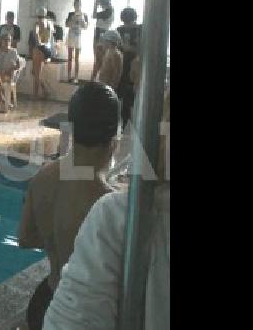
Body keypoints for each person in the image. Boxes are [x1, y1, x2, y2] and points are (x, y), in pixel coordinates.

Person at [43, 89, 170, 330]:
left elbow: (25, 237)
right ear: (115, 139)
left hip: (55, 289)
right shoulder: (120, 213)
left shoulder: (124, 215)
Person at [18, 81, 123, 330]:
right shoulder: (108, 205)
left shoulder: (43, 177)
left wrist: (57, 239)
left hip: (44, 301)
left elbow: (24, 238)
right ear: (114, 138)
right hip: (80, 315)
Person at [116, 8, 142, 129]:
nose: (127, 25)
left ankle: (129, 126)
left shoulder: (139, 30)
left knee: (130, 98)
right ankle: (122, 126)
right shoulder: (119, 30)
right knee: (120, 97)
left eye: (129, 22)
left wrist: (128, 48)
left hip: (134, 69)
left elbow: (140, 50)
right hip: (121, 66)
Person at [0, 35, 21, 113]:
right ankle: (2, 100)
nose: (7, 42)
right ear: (1, 41)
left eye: (9, 40)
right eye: (5, 40)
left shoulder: (13, 52)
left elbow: (18, 65)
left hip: (9, 75)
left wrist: (10, 69)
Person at [28, 6, 56, 100]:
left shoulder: (37, 24)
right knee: (34, 72)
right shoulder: (50, 23)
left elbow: (38, 40)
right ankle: (45, 90)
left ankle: (36, 95)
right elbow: (51, 40)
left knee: (37, 73)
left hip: (40, 49)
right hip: (47, 50)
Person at [90, 0, 115, 81]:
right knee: (99, 61)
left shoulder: (108, 10)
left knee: (99, 61)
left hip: (101, 35)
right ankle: (95, 80)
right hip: (102, 34)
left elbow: (94, 15)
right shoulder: (109, 10)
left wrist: (95, 4)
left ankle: (94, 81)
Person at [65, 0, 89, 82]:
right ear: (74, 5)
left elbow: (86, 27)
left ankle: (76, 77)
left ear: (81, 5)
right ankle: (68, 76)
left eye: (79, 5)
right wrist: (72, 19)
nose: (77, 6)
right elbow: (66, 24)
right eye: (76, 4)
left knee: (77, 58)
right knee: (69, 57)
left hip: (78, 37)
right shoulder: (70, 14)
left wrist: (82, 22)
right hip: (71, 36)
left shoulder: (84, 14)